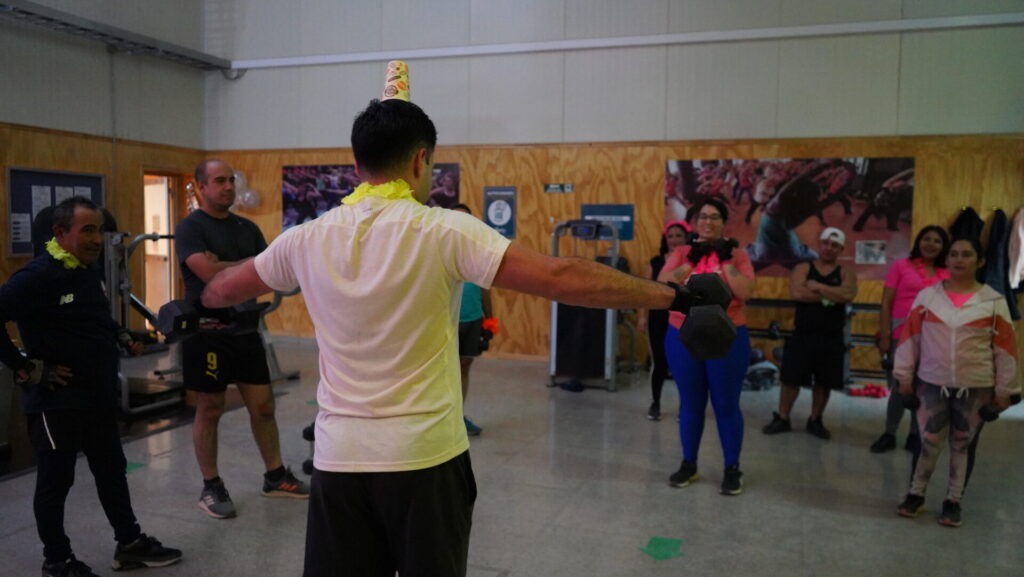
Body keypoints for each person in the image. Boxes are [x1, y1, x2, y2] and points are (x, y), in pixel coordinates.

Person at [200, 97, 690, 577]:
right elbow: (562, 277)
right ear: (421, 160)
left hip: (339, 460)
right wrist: (676, 296)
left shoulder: (304, 239)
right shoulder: (446, 230)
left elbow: (223, 289)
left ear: (357, 165)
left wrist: (192, 304)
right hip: (424, 459)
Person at [0, 196, 182, 577]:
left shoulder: (87, 269)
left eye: (99, 230)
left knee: (112, 470)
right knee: (56, 481)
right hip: (56, 402)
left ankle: (129, 543)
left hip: (96, 395)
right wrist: (24, 368)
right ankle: (57, 561)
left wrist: (122, 334)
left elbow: (93, 317)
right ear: (59, 232)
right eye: (87, 230)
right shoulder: (37, 277)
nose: (97, 239)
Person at [175, 160, 309, 520]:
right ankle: (211, 485)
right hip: (207, 334)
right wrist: (248, 263)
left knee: (263, 407)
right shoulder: (190, 228)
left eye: (231, 180)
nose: (228, 187)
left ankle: (275, 476)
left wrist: (229, 264)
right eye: (219, 180)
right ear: (201, 186)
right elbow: (207, 273)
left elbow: (269, 271)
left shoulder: (246, 227)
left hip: (246, 331)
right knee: (210, 408)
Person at [893, 237, 1018, 527]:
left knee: (962, 445)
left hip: (976, 387)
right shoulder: (927, 298)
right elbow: (910, 339)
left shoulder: (993, 302)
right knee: (928, 441)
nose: (959, 259)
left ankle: (953, 501)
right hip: (931, 384)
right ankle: (915, 495)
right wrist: (903, 379)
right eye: (954, 254)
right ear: (947, 260)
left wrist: (1005, 392)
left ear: (980, 261)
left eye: (966, 254)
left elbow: (1006, 351)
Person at [657, 198, 755, 496]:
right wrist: (690, 261)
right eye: (702, 217)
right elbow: (664, 284)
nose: (707, 222)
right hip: (684, 334)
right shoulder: (681, 253)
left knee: (726, 405)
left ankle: (732, 468)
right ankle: (689, 464)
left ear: (723, 222)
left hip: (727, 335)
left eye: (714, 217)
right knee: (691, 403)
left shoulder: (737, 254)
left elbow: (745, 292)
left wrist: (726, 261)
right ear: (695, 222)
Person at [762, 227, 858, 440]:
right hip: (803, 334)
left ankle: (815, 420)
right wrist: (831, 295)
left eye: (835, 245)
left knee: (824, 382)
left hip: (831, 336)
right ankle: (783, 417)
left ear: (841, 249)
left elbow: (848, 294)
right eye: (826, 243)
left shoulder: (846, 273)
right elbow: (797, 293)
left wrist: (816, 286)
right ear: (819, 244)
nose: (829, 248)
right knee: (790, 379)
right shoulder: (803, 267)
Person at [868, 225, 950, 453]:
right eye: (927, 239)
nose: (931, 244)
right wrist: (884, 335)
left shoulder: (948, 273)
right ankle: (889, 433)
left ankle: (915, 434)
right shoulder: (901, 266)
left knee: (922, 387)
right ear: (918, 241)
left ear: (943, 247)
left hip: (933, 339)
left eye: (937, 241)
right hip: (901, 335)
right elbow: (886, 302)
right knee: (899, 387)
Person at [636, 220, 689, 420]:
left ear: (686, 239)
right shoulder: (656, 262)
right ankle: (655, 403)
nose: (674, 240)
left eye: (678, 236)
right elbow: (645, 292)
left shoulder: (691, 262)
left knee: (683, 364)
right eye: (670, 236)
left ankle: (685, 406)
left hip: (684, 319)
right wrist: (642, 316)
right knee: (659, 362)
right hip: (658, 318)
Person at [452, 203, 492, 436]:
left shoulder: (478, 252)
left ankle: (458, 418)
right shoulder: (438, 248)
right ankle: (443, 420)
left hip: (474, 318)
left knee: (465, 366)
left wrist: (490, 321)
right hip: (447, 321)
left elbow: (485, 288)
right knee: (444, 371)